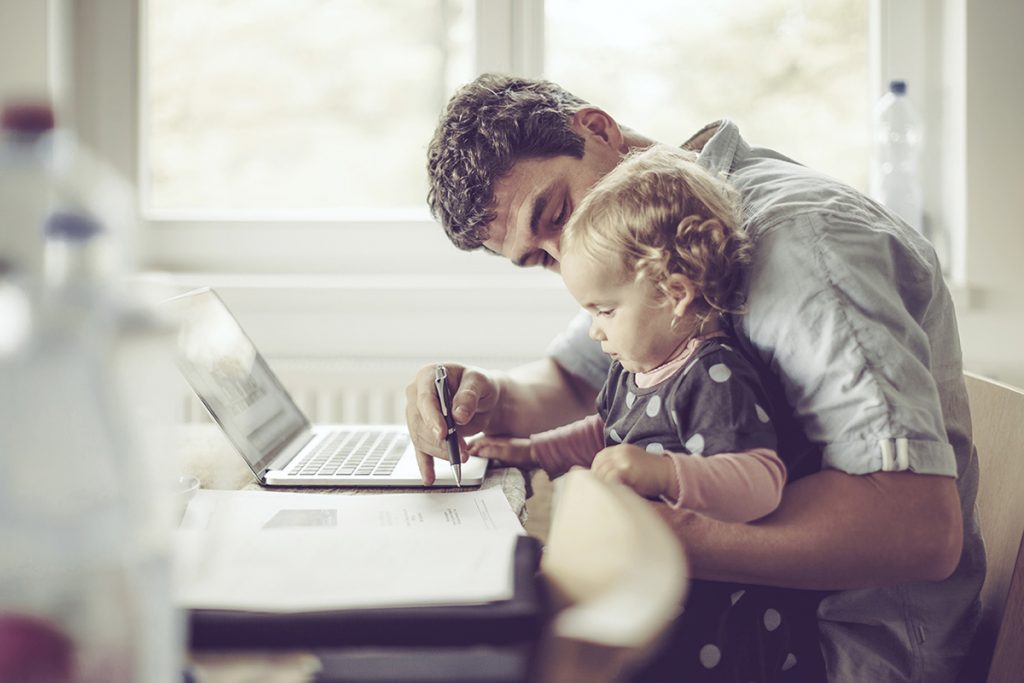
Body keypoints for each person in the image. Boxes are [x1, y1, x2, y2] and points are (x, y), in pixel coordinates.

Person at [407, 73, 981, 683]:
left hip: (846, 652)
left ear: (597, 129)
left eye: (557, 214)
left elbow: (919, 526)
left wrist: (649, 534)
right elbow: (575, 382)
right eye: (542, 258)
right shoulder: (648, 230)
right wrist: (483, 398)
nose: (567, 252)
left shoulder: (800, 244)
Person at [469, 142, 827, 680]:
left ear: (675, 293)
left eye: (605, 310)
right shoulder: (634, 368)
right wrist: (531, 453)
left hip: (728, 629)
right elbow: (605, 434)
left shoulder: (715, 374)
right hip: (670, 592)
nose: (595, 330)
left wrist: (661, 471)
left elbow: (760, 481)